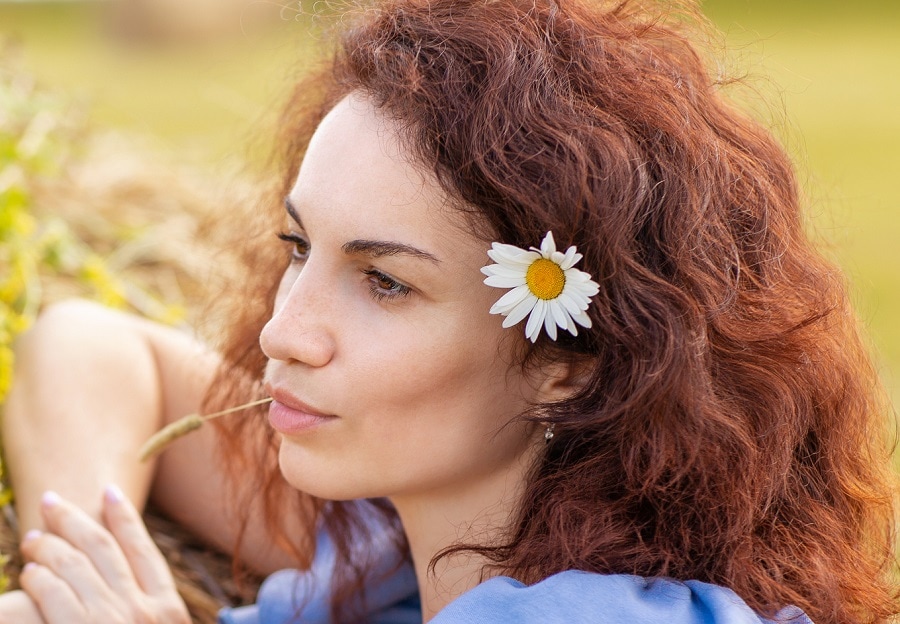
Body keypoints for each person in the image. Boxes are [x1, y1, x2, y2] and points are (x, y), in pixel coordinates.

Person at [0, 0, 897, 622]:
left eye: (385, 282)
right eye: (299, 249)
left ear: (567, 364)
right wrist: (87, 573)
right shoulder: (402, 554)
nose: (281, 332)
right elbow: (88, 351)